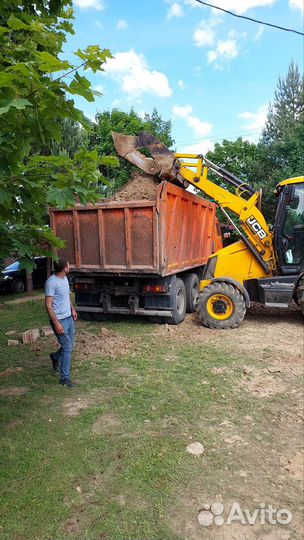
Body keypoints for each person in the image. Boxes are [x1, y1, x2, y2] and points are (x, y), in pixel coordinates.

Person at [45, 257, 78, 387]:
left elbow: (65, 296)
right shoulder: (51, 282)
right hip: (59, 320)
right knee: (68, 347)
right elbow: (48, 305)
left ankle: (55, 357)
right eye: (68, 265)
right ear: (64, 268)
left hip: (69, 317)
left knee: (70, 345)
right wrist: (57, 323)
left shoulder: (64, 279)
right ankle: (64, 379)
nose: (69, 267)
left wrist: (72, 309)